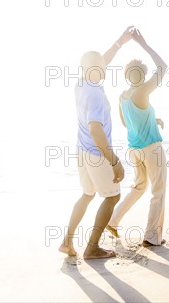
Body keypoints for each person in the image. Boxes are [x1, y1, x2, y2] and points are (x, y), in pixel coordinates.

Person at [59, 26, 134, 259]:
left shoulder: (82, 83)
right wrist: (114, 161)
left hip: (81, 151)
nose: (105, 67)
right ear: (97, 69)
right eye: (102, 65)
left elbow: (100, 61)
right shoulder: (95, 95)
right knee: (112, 196)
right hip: (95, 152)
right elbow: (95, 130)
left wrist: (119, 43)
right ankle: (92, 247)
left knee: (87, 194)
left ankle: (67, 242)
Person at [106, 28, 168, 246]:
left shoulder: (123, 96)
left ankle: (113, 221)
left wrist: (153, 119)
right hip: (151, 149)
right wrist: (143, 43)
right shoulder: (143, 91)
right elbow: (163, 67)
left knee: (139, 187)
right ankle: (152, 236)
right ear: (142, 75)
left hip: (134, 150)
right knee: (157, 192)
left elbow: (127, 122)